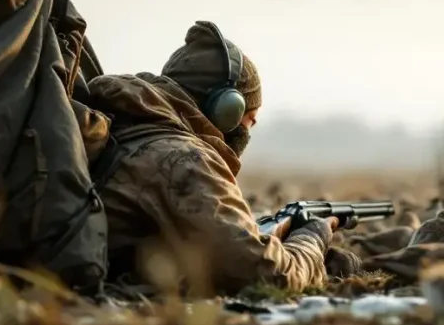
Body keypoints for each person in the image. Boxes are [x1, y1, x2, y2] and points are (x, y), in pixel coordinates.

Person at [83, 20, 337, 294]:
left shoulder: (127, 127)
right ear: (226, 111)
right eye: (249, 120)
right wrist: (311, 240)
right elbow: (270, 276)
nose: (247, 134)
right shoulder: (183, 159)